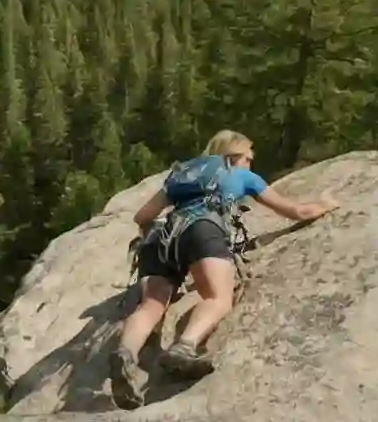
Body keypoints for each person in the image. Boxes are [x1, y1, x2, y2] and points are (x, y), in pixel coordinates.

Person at [108, 129, 340, 410]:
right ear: (233, 156)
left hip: (163, 238)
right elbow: (297, 212)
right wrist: (327, 204)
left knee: (151, 305)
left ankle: (125, 352)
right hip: (203, 230)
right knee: (218, 297)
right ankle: (185, 347)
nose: (250, 165)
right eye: (247, 159)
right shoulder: (242, 176)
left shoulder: (183, 175)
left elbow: (142, 216)